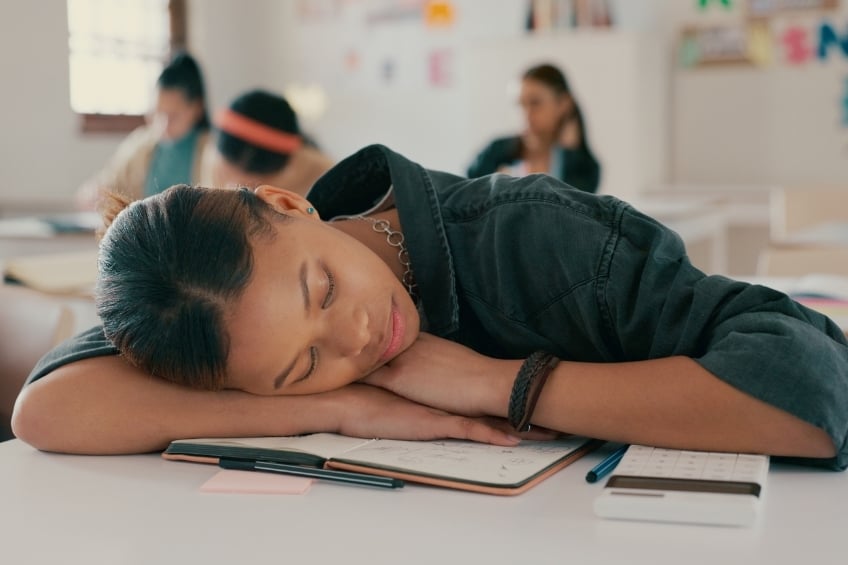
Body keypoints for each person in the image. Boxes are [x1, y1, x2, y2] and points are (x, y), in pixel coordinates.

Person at [13, 144, 848, 472]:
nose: (357, 336)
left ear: (291, 202)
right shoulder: (209, 313)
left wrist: (498, 384)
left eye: (324, 288)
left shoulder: (534, 237)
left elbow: (811, 390)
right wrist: (343, 407)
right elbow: (47, 412)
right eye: (302, 364)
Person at [75, 51, 212, 210]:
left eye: (173, 116)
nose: (163, 125)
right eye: (158, 114)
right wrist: (94, 193)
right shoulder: (141, 145)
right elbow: (107, 183)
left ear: (197, 108)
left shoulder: (213, 151)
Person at [467, 63, 601, 193]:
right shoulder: (495, 151)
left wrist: (570, 153)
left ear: (564, 104)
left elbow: (574, 209)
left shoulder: (585, 167)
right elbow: (465, 197)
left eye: (535, 103)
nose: (525, 114)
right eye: (520, 104)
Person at [209, 89, 334, 196]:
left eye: (256, 181)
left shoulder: (325, 177)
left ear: (289, 161)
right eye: (229, 171)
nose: (236, 185)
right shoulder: (212, 160)